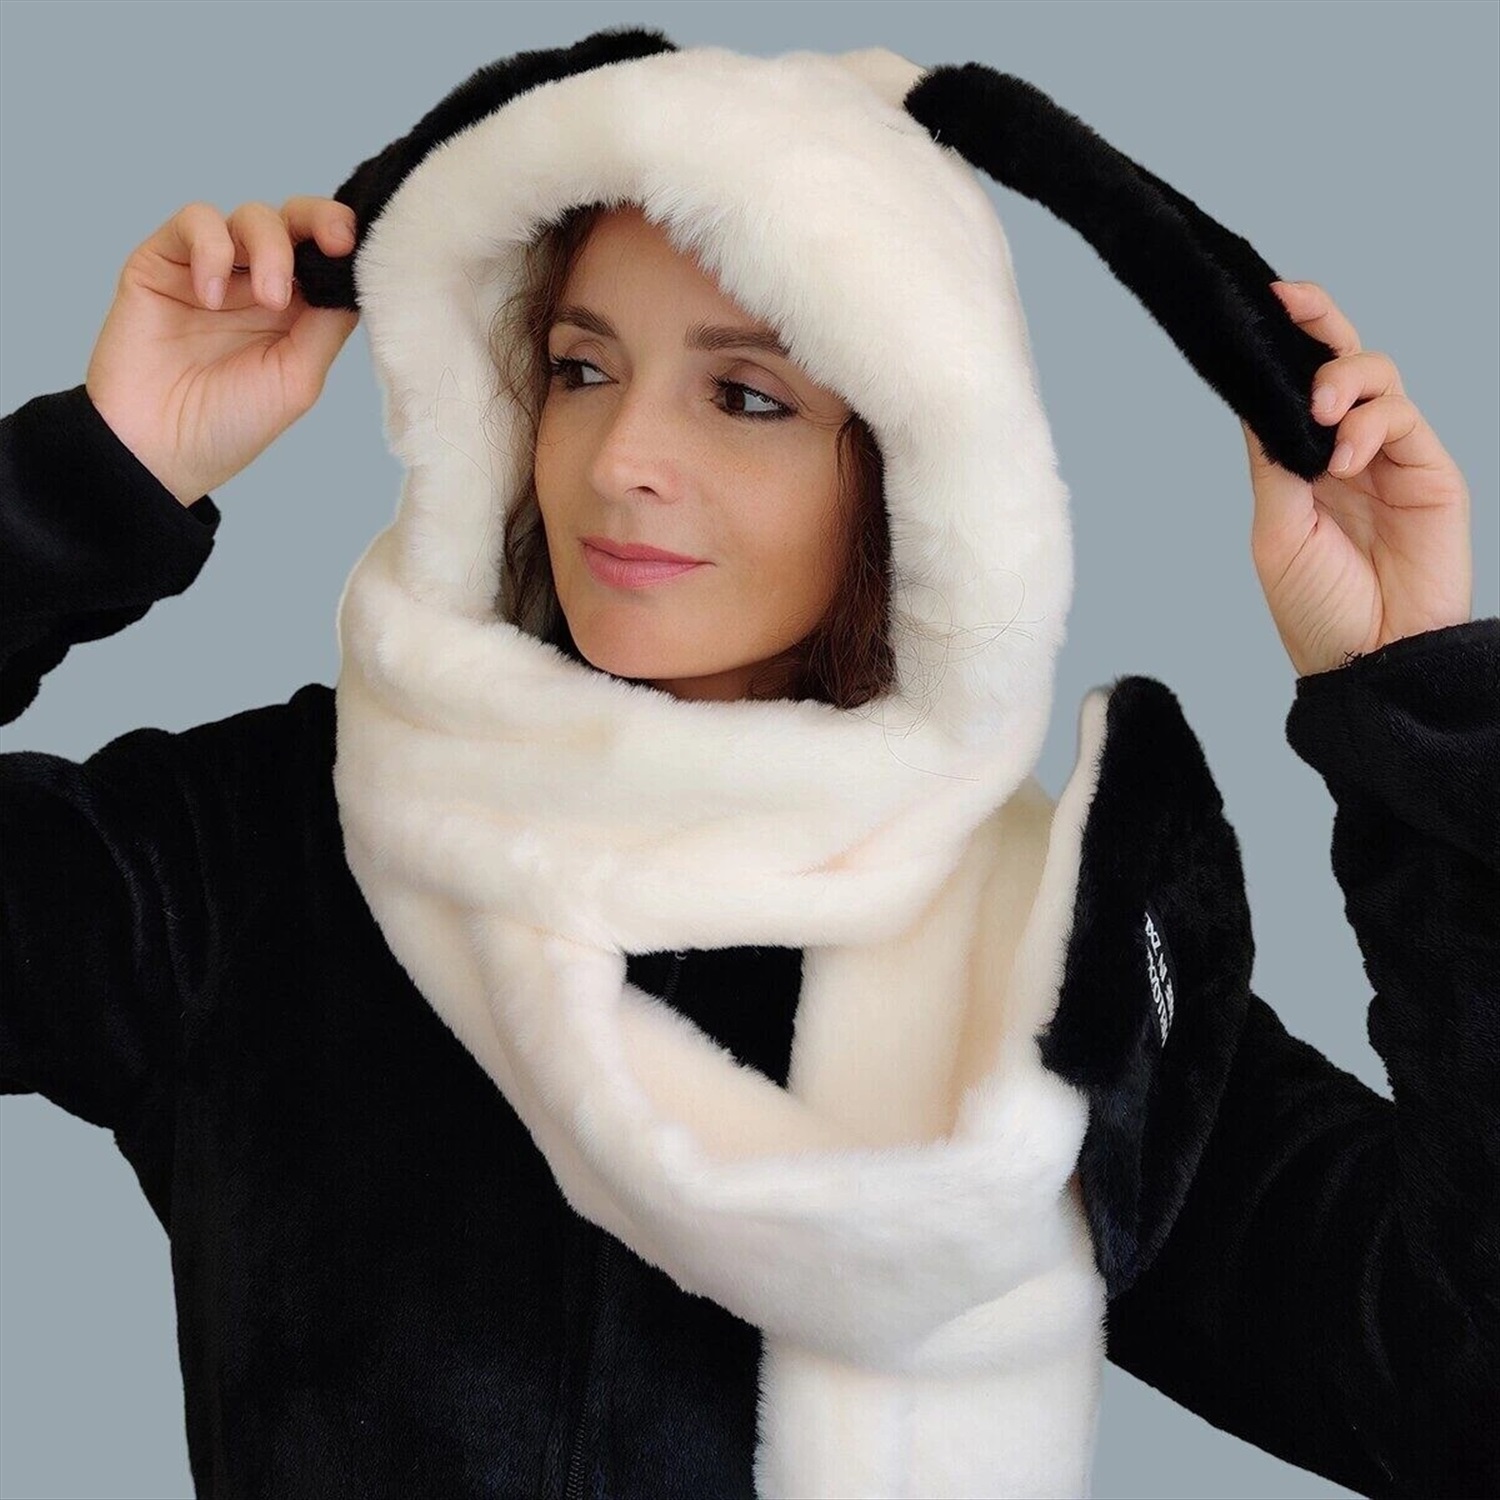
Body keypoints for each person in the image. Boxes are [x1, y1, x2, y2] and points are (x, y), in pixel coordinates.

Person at [2, 30, 1496, 1500]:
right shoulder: (261, 847)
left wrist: (1413, 698)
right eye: (581, 368)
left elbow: (1459, 1387)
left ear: (916, 471)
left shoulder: (1055, 977)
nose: (618, 459)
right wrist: (99, 474)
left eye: (748, 396)